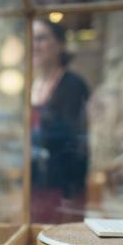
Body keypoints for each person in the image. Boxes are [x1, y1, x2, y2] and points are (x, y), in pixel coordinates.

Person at [31, 19, 90, 223]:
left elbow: (72, 138)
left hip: (63, 185)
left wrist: (71, 192)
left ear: (60, 45)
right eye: (31, 39)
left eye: (41, 38)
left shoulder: (72, 84)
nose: (34, 45)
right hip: (34, 182)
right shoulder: (31, 84)